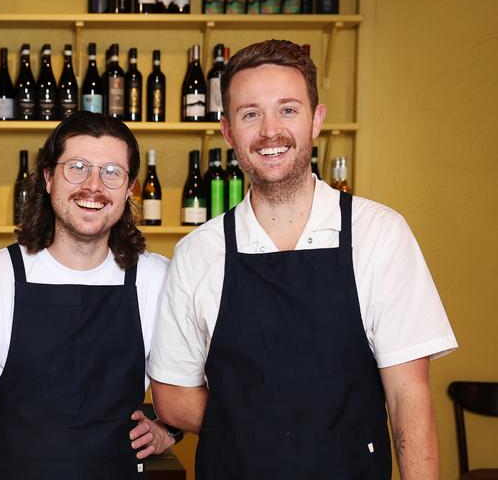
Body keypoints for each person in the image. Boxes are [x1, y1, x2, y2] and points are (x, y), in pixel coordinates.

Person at [148, 39, 458, 479]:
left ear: (316, 120)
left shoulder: (379, 234)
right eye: (250, 113)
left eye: (288, 110)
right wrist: (271, 433)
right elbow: (174, 397)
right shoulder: (198, 252)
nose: (270, 131)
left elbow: (409, 398)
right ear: (227, 130)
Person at [0, 112, 176, 479]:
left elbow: (210, 379)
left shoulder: (157, 279)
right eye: (78, 167)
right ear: (49, 177)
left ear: (130, 188)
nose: (93, 185)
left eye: (112, 172)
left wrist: (170, 430)